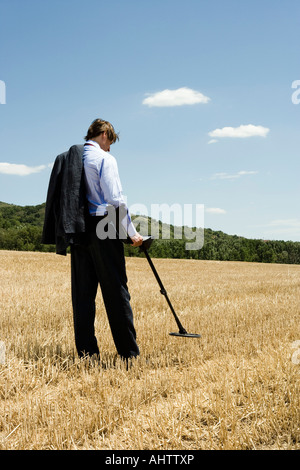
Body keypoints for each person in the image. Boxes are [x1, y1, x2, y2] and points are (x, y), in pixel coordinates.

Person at [42, 118, 143, 363]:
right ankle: (128, 355)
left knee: (83, 295)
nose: (110, 148)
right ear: (105, 134)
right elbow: (115, 200)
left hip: (76, 227)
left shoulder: (68, 159)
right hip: (103, 224)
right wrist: (131, 233)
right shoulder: (104, 159)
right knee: (116, 292)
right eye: (110, 143)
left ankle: (87, 356)